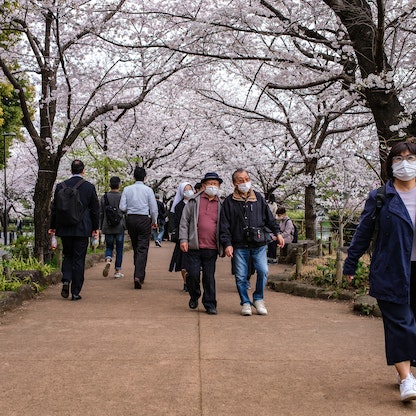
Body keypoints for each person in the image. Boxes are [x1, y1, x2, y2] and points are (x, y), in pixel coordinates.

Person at [343, 140, 416, 402]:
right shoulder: (381, 196)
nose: (405, 163)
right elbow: (363, 232)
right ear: (390, 164)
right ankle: (407, 379)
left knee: (412, 324)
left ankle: (406, 369)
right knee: (399, 323)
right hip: (391, 268)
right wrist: (350, 262)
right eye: (398, 159)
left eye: (410, 157)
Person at [220, 168, 284, 316]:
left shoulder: (259, 198)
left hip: (259, 244)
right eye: (241, 180)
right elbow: (224, 225)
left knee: (263, 270)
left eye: (247, 179)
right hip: (239, 245)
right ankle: (245, 302)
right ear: (234, 183)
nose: (245, 182)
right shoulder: (229, 202)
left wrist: (278, 233)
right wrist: (227, 244)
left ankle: (258, 298)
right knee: (241, 276)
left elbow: (269, 218)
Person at [49, 159, 100, 301]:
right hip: (82, 228)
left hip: (64, 227)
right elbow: (95, 210)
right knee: (79, 259)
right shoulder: (89, 187)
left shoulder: (60, 186)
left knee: (68, 255)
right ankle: (76, 291)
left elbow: (54, 209)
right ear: (83, 171)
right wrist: (95, 228)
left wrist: (52, 226)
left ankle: (66, 279)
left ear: (70, 170)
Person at [179, 172, 223, 315]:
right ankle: (194, 294)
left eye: (215, 184)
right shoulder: (194, 201)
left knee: (209, 276)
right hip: (194, 245)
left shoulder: (221, 204)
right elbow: (184, 221)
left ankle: (210, 304)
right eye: (210, 183)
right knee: (192, 274)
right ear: (203, 185)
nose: (212, 186)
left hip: (211, 247)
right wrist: (183, 240)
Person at [119, 166, 158, 290]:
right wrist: (154, 220)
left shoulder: (127, 189)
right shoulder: (148, 190)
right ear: (145, 177)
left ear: (133, 176)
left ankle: (138, 271)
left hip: (131, 219)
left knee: (136, 246)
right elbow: (153, 208)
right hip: (144, 219)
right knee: (143, 247)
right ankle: (138, 275)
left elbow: (122, 207)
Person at [169, 182, 194, 291]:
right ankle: (185, 282)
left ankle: (191, 281)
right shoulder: (179, 206)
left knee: (192, 262)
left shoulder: (195, 203)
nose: (188, 191)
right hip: (182, 237)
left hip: (194, 237)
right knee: (183, 263)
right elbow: (176, 222)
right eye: (186, 189)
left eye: (190, 189)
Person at [100, 176, 125, 279]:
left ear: (110, 185)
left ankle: (108, 260)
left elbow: (101, 213)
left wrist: (100, 226)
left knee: (109, 246)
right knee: (119, 249)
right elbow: (125, 211)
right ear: (119, 185)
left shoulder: (104, 197)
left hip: (108, 226)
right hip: (119, 226)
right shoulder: (122, 197)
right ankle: (117, 271)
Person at [267, 194, 279, 264]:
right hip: (272, 221)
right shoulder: (274, 205)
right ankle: (272, 258)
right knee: (272, 240)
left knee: (270, 239)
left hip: (267, 221)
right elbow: (275, 213)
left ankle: (269, 257)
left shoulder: (267, 203)